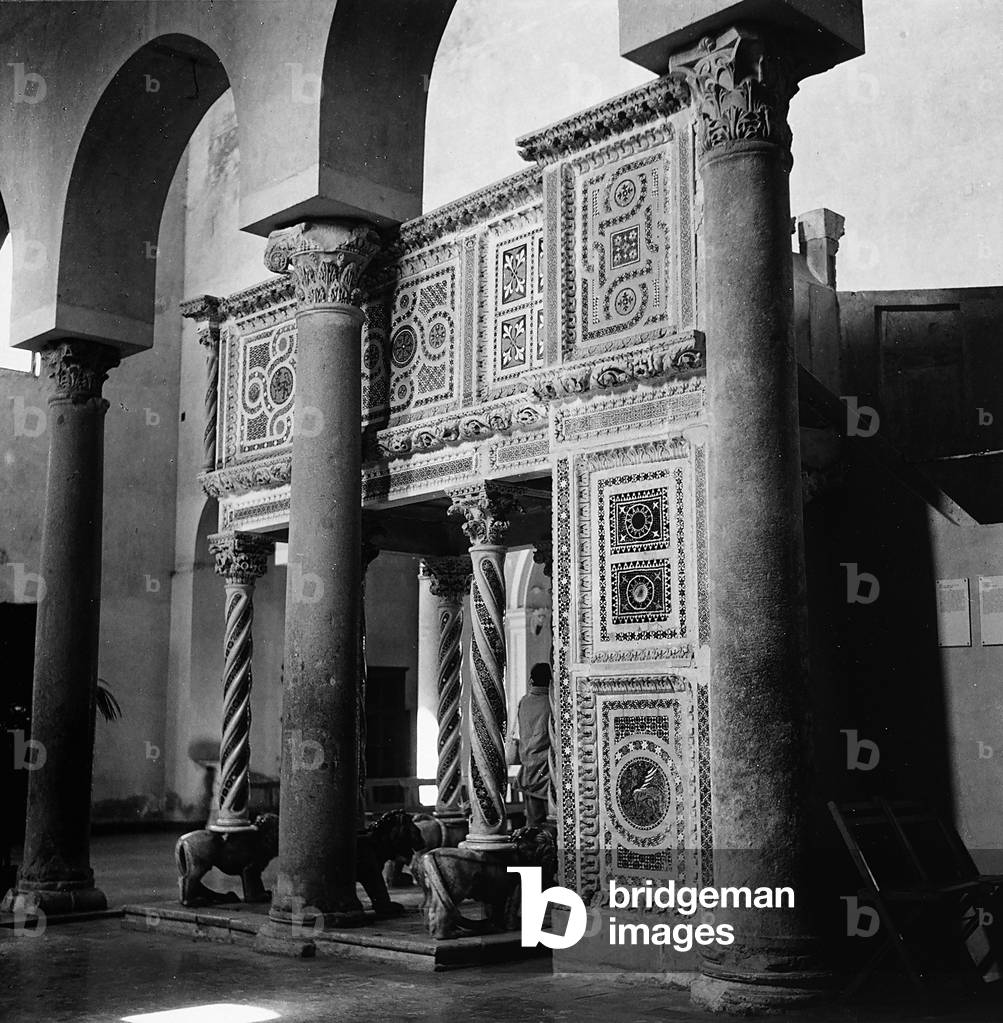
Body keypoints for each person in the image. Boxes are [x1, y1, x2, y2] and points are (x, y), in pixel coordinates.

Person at [507, 662, 552, 826]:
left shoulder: (524, 702)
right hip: (548, 772)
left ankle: (534, 851)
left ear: (531, 680)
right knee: (554, 824)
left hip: (528, 771)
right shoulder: (553, 704)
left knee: (534, 823)